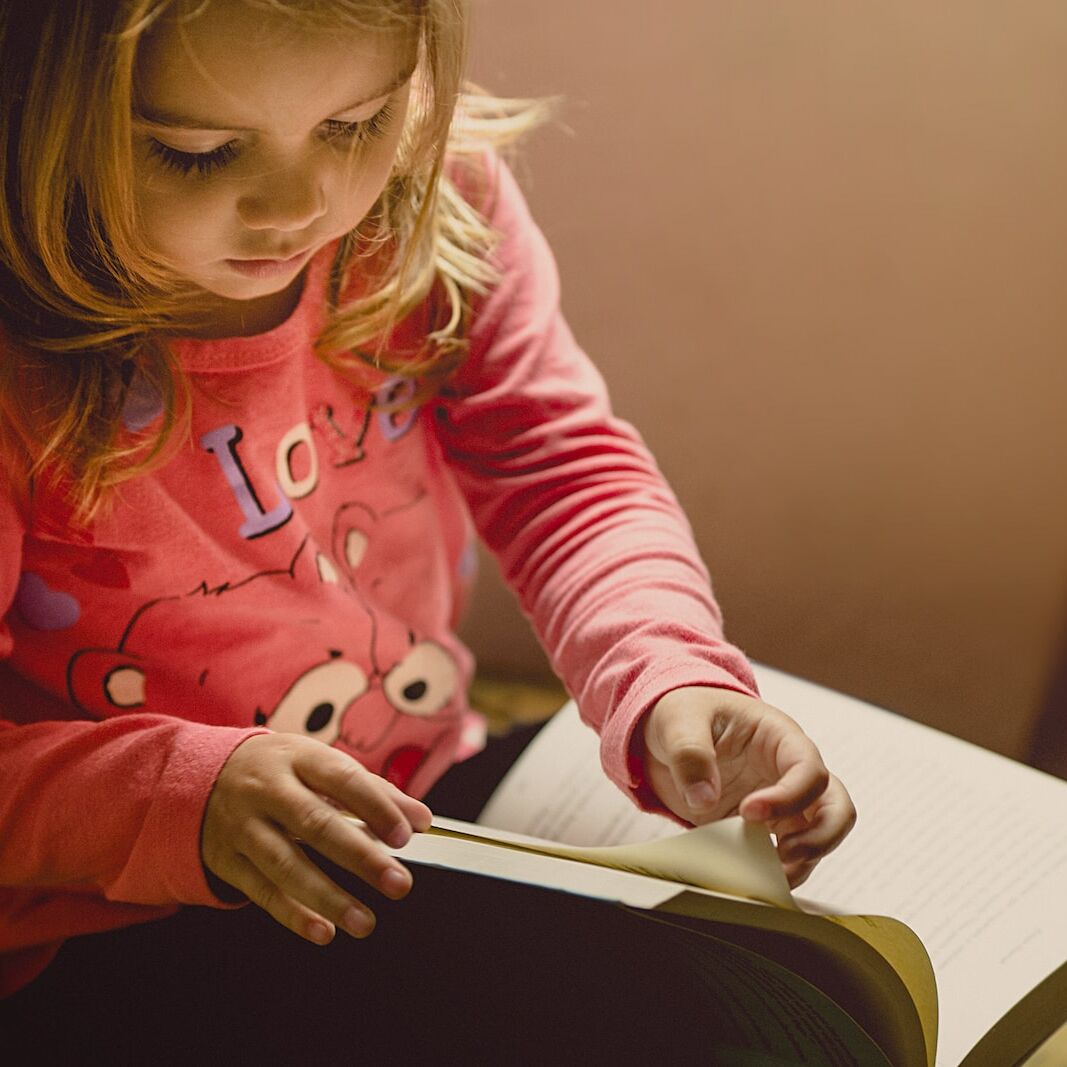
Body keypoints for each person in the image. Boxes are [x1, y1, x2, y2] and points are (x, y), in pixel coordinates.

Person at [0, 0, 855, 1057]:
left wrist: (668, 671)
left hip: (414, 796)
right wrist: (180, 797)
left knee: (777, 990)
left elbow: (559, 467)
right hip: (98, 918)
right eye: (195, 151)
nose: (298, 204)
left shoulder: (428, 203)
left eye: (356, 124)